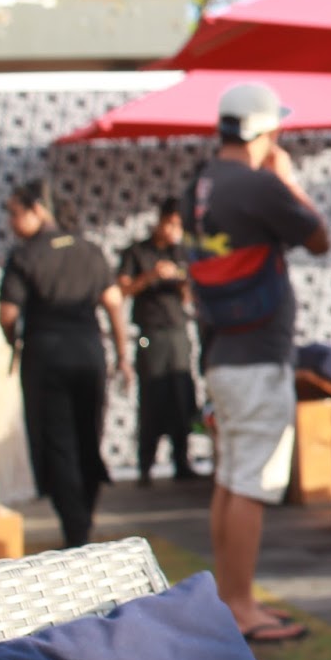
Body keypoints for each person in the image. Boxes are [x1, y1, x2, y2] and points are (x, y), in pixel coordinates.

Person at [185, 82, 330, 643]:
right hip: (258, 356)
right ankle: (242, 607)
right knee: (249, 482)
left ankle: (230, 599)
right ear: (261, 131)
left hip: (221, 351)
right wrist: (288, 179)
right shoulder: (259, 185)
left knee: (229, 480)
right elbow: (318, 237)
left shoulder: (199, 184)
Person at [0, 180, 133, 547]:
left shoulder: (25, 255)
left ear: (38, 209)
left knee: (58, 442)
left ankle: (75, 530)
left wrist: (14, 342)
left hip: (46, 355)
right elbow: (114, 304)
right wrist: (123, 356)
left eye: (15, 213)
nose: (10, 221)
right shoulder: (89, 249)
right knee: (88, 435)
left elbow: (7, 314)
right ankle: (83, 519)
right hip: (89, 351)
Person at [117, 197, 201, 484]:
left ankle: (182, 461)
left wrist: (183, 281)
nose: (174, 230)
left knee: (181, 395)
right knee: (153, 396)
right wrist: (152, 276)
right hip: (149, 335)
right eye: (171, 223)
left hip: (178, 331)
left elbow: (190, 296)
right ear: (161, 221)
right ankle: (146, 464)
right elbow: (123, 290)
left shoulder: (183, 253)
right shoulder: (137, 252)